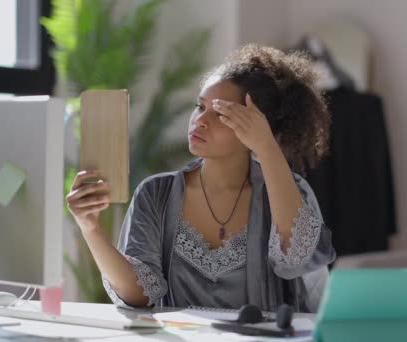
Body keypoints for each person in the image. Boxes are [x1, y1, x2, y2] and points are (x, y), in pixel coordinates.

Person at [66, 44, 336, 312]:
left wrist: (266, 147)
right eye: (200, 106)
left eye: (219, 113)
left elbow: (297, 260)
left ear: (256, 125)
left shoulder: (290, 190)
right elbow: (139, 295)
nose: (199, 120)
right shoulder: (155, 193)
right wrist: (91, 229)